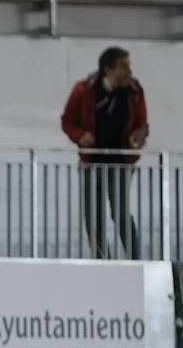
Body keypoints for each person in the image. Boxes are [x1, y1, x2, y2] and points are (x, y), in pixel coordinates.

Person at [60, 46, 149, 260]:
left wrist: (137, 139)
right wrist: (81, 135)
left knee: (120, 213)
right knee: (94, 216)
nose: (129, 71)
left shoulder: (135, 92)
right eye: (124, 66)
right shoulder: (83, 90)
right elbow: (67, 120)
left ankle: (135, 259)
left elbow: (142, 125)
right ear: (108, 70)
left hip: (121, 163)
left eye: (129, 66)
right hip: (93, 162)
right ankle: (102, 260)